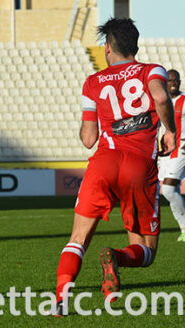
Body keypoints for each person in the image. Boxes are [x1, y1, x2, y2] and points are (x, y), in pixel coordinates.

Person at [53, 18, 176, 316]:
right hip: (139, 166)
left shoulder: (93, 82)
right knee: (146, 252)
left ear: (107, 48)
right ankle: (116, 258)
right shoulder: (152, 70)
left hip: (103, 163)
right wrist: (169, 131)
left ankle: (59, 300)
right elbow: (160, 96)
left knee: (77, 239)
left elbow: (88, 138)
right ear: (135, 44)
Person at [159, 69, 185, 241]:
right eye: (170, 80)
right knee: (166, 190)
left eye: (176, 80)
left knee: (168, 188)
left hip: (182, 148)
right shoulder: (159, 101)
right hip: (164, 152)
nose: (174, 83)